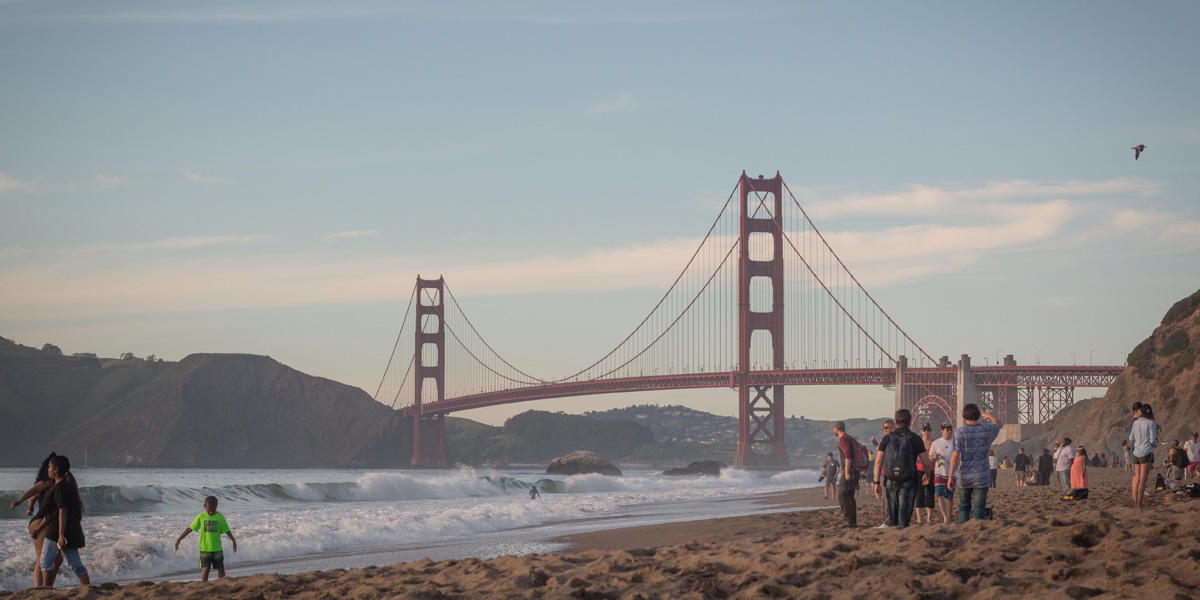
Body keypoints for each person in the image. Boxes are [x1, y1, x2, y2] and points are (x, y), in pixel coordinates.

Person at [8, 452, 63, 587]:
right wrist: (20, 501)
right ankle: (39, 589)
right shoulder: (47, 482)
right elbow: (32, 491)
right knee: (41, 557)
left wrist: (30, 508)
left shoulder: (59, 484)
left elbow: (33, 498)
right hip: (40, 522)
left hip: (51, 523)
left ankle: (47, 586)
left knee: (58, 559)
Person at [872, 409, 931, 529]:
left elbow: (878, 462)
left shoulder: (887, 438)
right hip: (908, 480)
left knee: (892, 518)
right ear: (909, 422)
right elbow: (926, 462)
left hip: (890, 479)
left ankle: (893, 538)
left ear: (896, 421)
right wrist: (927, 475)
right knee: (904, 519)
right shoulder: (915, 439)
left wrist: (876, 482)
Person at [39, 455, 89, 588]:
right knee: (76, 565)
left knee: (45, 562)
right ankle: (88, 590)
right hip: (70, 530)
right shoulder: (67, 485)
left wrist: (61, 535)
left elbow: (63, 511)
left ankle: (46, 590)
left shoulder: (60, 488)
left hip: (57, 531)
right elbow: (56, 512)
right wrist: (39, 528)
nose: (47, 470)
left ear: (56, 470)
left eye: (49, 467)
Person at [948, 403, 1001, 523]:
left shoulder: (960, 433)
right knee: (979, 507)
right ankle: (976, 531)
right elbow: (999, 424)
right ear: (978, 415)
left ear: (964, 416)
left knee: (964, 506)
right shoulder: (987, 430)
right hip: (981, 475)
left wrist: (951, 476)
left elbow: (955, 455)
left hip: (964, 476)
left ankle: (963, 532)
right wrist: (989, 416)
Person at [175, 496, 238, 581]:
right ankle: (204, 585)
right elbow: (190, 528)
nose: (212, 511)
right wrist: (179, 539)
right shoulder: (201, 517)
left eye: (214, 509)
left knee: (221, 568)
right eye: (210, 509)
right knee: (206, 569)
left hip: (217, 548)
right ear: (204, 506)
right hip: (204, 549)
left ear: (217, 506)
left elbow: (227, 530)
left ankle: (222, 584)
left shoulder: (220, 517)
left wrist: (233, 540)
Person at [832, 421, 860, 527]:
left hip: (850, 470)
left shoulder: (843, 439)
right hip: (855, 470)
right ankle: (852, 521)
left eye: (833, 428)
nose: (833, 430)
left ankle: (850, 521)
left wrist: (847, 472)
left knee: (842, 495)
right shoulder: (850, 438)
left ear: (836, 428)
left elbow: (848, 456)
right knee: (849, 495)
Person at [1129, 403, 1158, 508]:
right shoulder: (1151, 423)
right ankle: (1139, 505)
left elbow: (1131, 438)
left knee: (1137, 477)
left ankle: (1135, 501)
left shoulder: (1135, 423)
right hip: (1146, 453)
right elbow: (1153, 441)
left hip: (1136, 453)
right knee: (1142, 481)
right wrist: (1155, 443)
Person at [928, 422, 955, 523]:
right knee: (939, 495)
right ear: (942, 430)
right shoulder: (936, 443)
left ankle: (948, 516)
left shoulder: (955, 442)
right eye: (947, 430)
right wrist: (935, 457)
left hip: (952, 473)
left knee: (949, 496)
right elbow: (930, 457)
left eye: (950, 429)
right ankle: (945, 517)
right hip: (939, 472)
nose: (949, 431)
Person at [872, 419, 894, 528]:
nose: (888, 430)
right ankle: (891, 522)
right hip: (887, 473)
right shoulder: (886, 440)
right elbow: (878, 449)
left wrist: (876, 482)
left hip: (892, 474)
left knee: (889, 498)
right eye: (885, 428)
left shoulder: (889, 439)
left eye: (889, 427)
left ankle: (887, 523)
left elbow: (878, 460)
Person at [913, 423, 936, 525]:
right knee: (919, 494)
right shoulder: (918, 443)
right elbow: (915, 458)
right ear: (921, 431)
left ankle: (929, 518)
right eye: (924, 430)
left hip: (932, 470)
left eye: (928, 430)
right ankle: (919, 519)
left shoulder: (934, 443)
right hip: (919, 470)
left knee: (930, 494)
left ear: (931, 431)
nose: (927, 432)